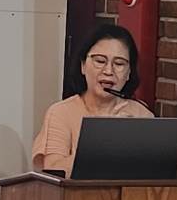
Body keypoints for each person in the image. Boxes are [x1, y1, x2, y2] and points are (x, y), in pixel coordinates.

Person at [32, 22, 153, 176]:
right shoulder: (61, 113)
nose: (108, 71)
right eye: (100, 61)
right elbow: (54, 171)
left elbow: (153, 174)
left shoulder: (142, 115)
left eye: (119, 64)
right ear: (83, 65)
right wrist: (102, 138)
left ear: (129, 72)